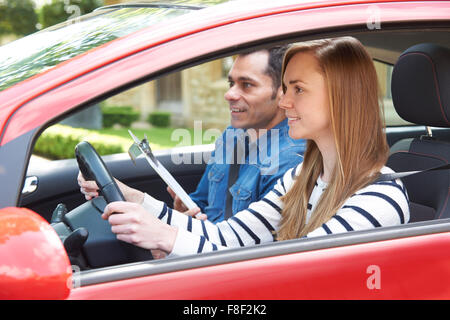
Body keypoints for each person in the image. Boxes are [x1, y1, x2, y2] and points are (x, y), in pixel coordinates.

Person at [89, 37, 410, 257]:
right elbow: (228, 239)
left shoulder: (378, 200)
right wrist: (139, 201)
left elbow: (292, 274)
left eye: (298, 89)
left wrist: (166, 237)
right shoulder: (303, 178)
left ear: (343, 97)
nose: (284, 102)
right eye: (285, 88)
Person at [167, 46, 306, 223]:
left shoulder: (290, 159)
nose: (229, 94)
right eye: (231, 83)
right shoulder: (233, 134)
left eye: (247, 85)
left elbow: (255, 245)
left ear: (283, 92)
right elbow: (202, 201)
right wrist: (187, 210)